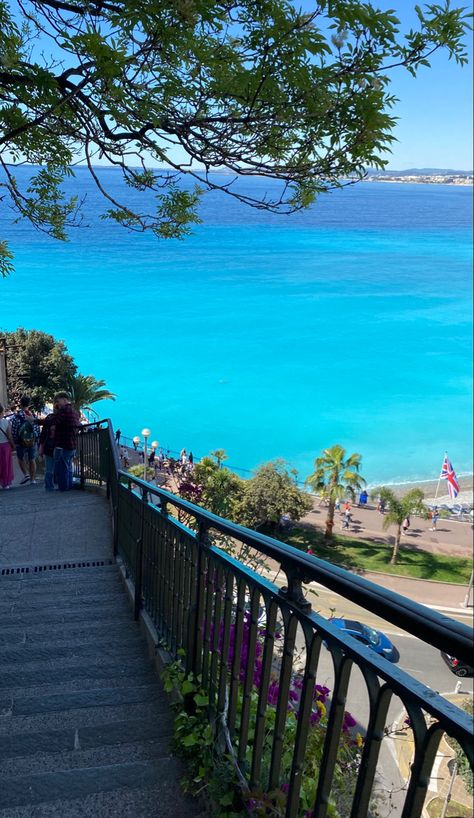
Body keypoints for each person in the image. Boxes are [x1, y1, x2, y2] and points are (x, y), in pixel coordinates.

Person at [52, 392, 80, 491]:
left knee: (62, 468)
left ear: (63, 399)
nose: (57, 403)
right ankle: (69, 486)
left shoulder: (63, 410)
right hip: (72, 443)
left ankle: (63, 488)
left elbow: (54, 421)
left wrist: (35, 421)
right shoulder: (74, 411)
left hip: (63, 443)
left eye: (58, 401)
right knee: (68, 467)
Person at [11, 395, 40, 485]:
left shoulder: (17, 417)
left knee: (21, 458)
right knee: (32, 459)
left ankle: (26, 474)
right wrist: (36, 438)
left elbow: (14, 429)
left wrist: (15, 441)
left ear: (21, 404)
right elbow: (36, 428)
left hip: (21, 441)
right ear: (29, 404)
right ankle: (33, 479)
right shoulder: (32, 415)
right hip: (32, 441)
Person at [38, 406, 58, 491]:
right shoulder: (58, 419)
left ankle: (49, 486)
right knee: (54, 467)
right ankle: (53, 485)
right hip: (55, 445)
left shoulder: (49, 418)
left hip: (49, 445)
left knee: (49, 468)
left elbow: (43, 434)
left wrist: (41, 446)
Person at [0, 403, 15, 489]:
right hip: (5, 446)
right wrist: (13, 445)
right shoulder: (6, 422)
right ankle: (6, 483)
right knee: (6, 464)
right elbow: (9, 436)